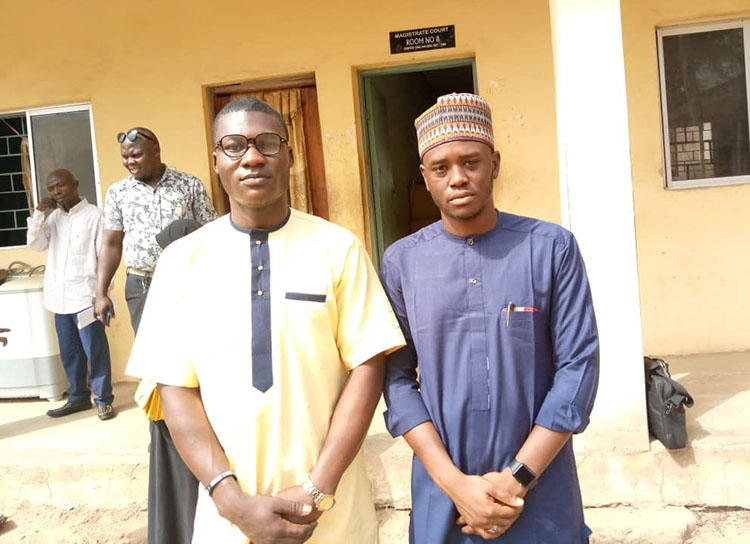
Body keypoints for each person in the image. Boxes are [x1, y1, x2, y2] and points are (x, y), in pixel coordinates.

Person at [126, 96, 406, 543]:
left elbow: (367, 368)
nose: (252, 157)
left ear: (290, 157)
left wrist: (318, 488)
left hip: (332, 514)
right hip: (229, 522)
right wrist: (229, 499)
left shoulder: (339, 248)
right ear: (215, 161)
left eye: (268, 143)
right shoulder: (182, 261)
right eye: (234, 146)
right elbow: (174, 385)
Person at [380, 93, 600, 543]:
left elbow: (578, 368)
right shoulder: (402, 261)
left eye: (471, 162)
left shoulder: (551, 247)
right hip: (444, 491)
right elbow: (397, 381)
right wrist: (456, 485)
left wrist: (517, 478)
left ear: (494, 164)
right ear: (425, 177)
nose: (457, 178)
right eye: (441, 168)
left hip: (540, 488)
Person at [93, 127, 217, 544]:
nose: (130, 162)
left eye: (137, 155)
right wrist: (100, 291)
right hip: (142, 284)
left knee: (191, 362)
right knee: (157, 366)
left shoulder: (189, 184)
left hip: (189, 285)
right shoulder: (118, 193)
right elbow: (112, 243)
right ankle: (164, 435)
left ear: (156, 150)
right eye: (126, 157)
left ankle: (201, 423)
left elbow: (212, 233)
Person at [27, 169, 115, 420]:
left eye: (61, 186)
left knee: (94, 350)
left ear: (75, 185)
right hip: (59, 298)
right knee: (70, 352)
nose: (56, 191)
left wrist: (103, 294)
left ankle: (103, 400)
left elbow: (105, 256)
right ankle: (77, 398)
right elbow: (36, 245)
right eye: (51, 187)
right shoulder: (53, 219)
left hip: (86, 298)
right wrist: (38, 214)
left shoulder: (95, 216)